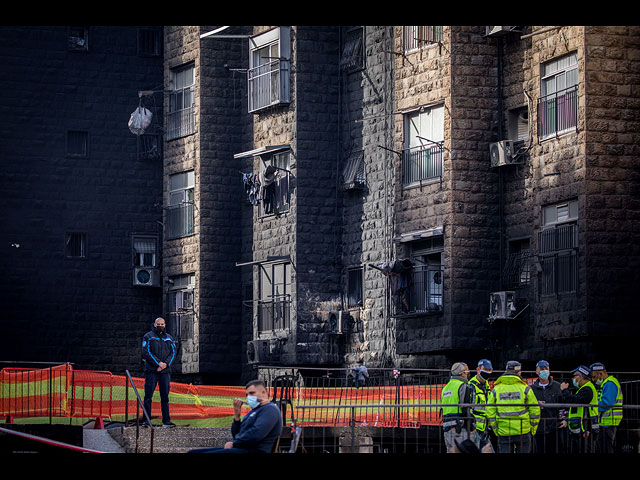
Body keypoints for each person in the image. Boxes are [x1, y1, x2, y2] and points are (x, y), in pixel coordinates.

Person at [190, 379, 283, 453]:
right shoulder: (253, 411)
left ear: (263, 393)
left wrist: (235, 444)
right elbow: (237, 435)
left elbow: (256, 434)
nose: (248, 397)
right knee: (193, 452)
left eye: (252, 393)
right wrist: (237, 417)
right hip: (242, 449)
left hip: (255, 450)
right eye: (247, 394)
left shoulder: (270, 410)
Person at [486, 360, 540, 453]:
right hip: (523, 431)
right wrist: (532, 429)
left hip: (504, 431)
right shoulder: (525, 388)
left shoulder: (496, 389)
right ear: (519, 372)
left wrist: (496, 429)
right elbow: (535, 410)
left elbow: (490, 410)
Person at [141, 317, 176, 427]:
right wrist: (158, 363)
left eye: (162, 324)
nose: (160, 325)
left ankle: (166, 420)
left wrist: (165, 364)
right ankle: (146, 420)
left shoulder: (169, 338)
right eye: (158, 324)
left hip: (165, 372)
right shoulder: (148, 336)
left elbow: (173, 353)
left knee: (165, 397)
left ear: (165, 325)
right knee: (148, 397)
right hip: (152, 371)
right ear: (155, 325)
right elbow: (146, 352)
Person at [560, 365, 599, 453]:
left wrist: (564, 390)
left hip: (585, 428)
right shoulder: (585, 388)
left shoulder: (587, 389)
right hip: (582, 427)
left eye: (574, 376)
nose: (573, 379)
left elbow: (574, 400)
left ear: (580, 377)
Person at [531, 360, 566, 453]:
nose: (544, 371)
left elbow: (562, 404)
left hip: (555, 428)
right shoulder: (532, 389)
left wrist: (564, 419)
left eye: (546, 369)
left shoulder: (557, 386)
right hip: (539, 428)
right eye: (542, 369)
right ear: (537, 371)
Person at [440, 362, 476, 453]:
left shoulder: (446, 388)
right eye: (467, 371)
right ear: (462, 373)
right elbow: (465, 408)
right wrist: (472, 427)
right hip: (459, 428)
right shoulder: (463, 386)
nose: (468, 374)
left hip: (447, 428)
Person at [590, 362, 623, 453]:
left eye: (594, 377)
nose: (593, 380)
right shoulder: (606, 383)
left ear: (600, 373)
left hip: (608, 422)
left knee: (605, 448)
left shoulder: (610, 384)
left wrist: (592, 407)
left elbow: (607, 403)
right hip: (606, 422)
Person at [468, 359, 495, 452]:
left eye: (489, 370)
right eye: (485, 369)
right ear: (478, 369)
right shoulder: (471, 386)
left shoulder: (486, 385)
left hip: (484, 428)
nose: (487, 372)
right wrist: (472, 427)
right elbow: (469, 408)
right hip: (475, 428)